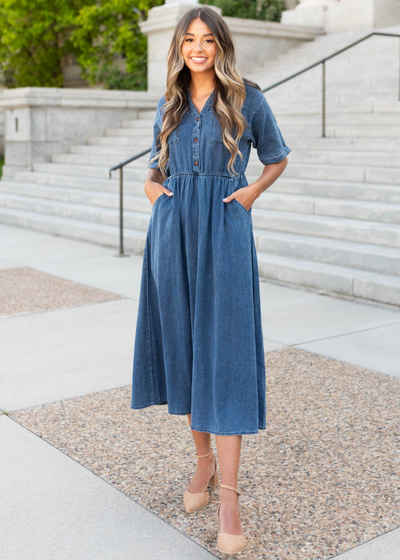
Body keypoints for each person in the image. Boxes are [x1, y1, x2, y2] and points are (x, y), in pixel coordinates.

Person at [131, 5, 290, 555]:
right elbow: (154, 167)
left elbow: (276, 157)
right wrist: (156, 196)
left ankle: (229, 499)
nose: (198, 48)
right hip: (172, 235)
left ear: (221, 45)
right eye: (189, 40)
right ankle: (201, 463)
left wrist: (247, 195)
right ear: (180, 47)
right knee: (185, 350)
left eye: (207, 40)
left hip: (223, 233)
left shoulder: (248, 98)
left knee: (223, 356)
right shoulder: (170, 102)